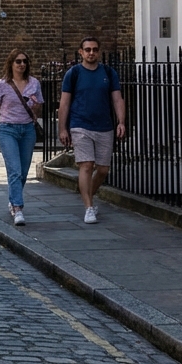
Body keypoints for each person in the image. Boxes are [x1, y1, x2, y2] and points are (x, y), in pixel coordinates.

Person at [57, 36, 126, 224]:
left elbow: (117, 99)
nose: (91, 53)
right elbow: (64, 103)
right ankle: (88, 208)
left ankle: (88, 196)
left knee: (103, 170)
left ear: (99, 51)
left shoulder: (109, 73)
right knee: (86, 165)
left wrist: (121, 122)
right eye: (87, 50)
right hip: (80, 125)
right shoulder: (74, 73)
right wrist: (62, 128)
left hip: (104, 126)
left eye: (95, 49)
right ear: (81, 52)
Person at [0, 49, 44, 226]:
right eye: (18, 61)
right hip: (7, 130)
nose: (22, 64)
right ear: (11, 64)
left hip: (27, 130)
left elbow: (38, 109)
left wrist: (35, 105)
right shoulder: (2, 84)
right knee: (14, 170)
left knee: (23, 172)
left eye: (24, 61)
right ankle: (17, 208)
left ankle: (13, 199)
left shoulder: (34, 83)